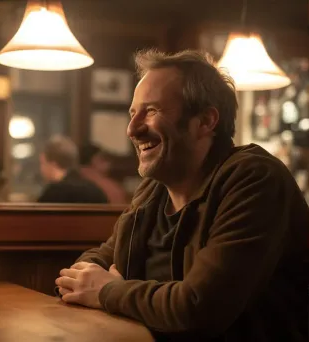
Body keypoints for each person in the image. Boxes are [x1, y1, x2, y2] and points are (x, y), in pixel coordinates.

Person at [55, 50, 309, 341]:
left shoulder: (253, 178)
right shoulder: (155, 189)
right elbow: (97, 261)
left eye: (151, 111)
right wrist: (93, 283)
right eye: (132, 113)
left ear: (205, 121)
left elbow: (199, 307)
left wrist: (107, 291)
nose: (132, 129)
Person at [38, 135, 108, 204]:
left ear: (53, 164)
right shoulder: (95, 190)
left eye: (42, 163)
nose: (41, 169)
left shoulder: (53, 193)